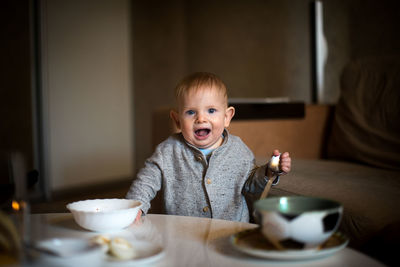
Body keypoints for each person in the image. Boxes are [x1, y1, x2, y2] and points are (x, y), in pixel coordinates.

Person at [126, 72, 291, 222]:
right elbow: (145, 182)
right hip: (183, 232)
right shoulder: (168, 151)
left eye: (211, 110)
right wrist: (134, 209)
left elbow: (250, 183)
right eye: (191, 112)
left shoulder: (238, 150)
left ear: (227, 117)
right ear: (177, 121)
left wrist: (269, 171)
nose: (201, 119)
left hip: (231, 230)